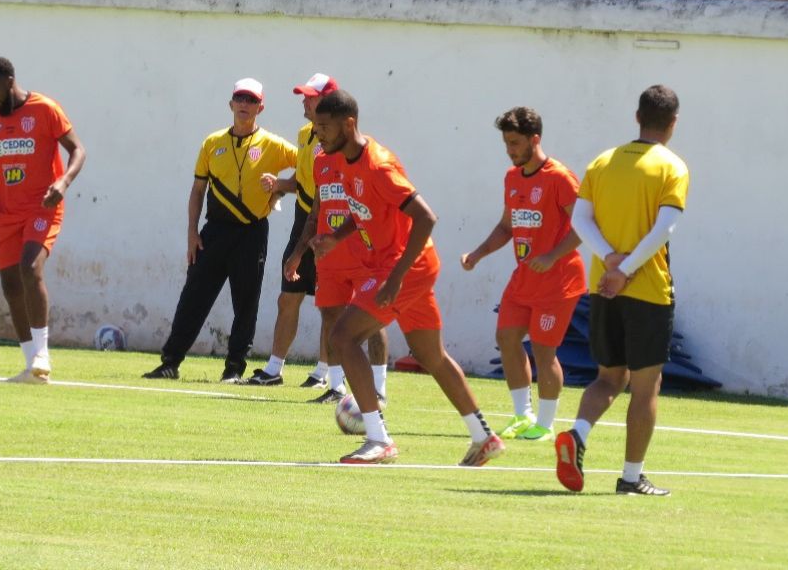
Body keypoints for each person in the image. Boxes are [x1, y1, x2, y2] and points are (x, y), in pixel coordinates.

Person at [286, 90, 503, 465]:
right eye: (315, 126)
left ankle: (378, 439)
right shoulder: (341, 160)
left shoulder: (379, 165)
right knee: (431, 354)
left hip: (406, 265)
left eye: (323, 127)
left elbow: (426, 217)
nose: (317, 133)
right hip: (399, 265)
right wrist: (335, 237)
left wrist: (397, 278)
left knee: (342, 336)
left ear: (348, 124)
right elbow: (365, 209)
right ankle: (483, 436)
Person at [555, 85, 688, 496]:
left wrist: (610, 262)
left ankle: (577, 433)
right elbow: (663, 228)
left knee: (608, 378)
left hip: (604, 290)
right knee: (646, 387)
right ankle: (631, 478)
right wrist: (627, 269)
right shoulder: (672, 166)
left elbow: (580, 221)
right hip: (646, 292)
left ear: (637, 117)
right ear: (673, 123)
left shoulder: (603, 160)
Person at [245, 73, 388, 398]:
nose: (305, 102)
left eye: (311, 96)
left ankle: (376, 387)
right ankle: (330, 383)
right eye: (305, 96)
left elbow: (374, 204)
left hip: (357, 239)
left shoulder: (363, 153)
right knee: (326, 306)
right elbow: (314, 195)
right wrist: (298, 247)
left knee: (372, 314)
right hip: (318, 229)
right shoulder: (314, 147)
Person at [144, 79, 297, 383]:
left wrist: (280, 187)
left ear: (260, 107)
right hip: (213, 231)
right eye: (239, 98)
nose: (244, 104)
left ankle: (234, 369)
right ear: (230, 104)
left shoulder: (274, 145)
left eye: (251, 100)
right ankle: (170, 362)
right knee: (193, 297)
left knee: (246, 301)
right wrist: (192, 232)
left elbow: (307, 169)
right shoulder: (213, 142)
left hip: (251, 232)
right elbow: (198, 189)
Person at [461, 107, 586, 441]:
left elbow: (585, 226)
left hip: (559, 280)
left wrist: (552, 255)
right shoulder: (513, 177)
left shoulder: (559, 177)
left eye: (515, 143)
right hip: (524, 278)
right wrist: (477, 254)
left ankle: (544, 424)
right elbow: (506, 226)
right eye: (506, 144)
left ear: (535, 139)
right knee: (507, 338)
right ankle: (522, 415)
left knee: (545, 351)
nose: (510, 150)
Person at [0, 57, 87, 384]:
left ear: (11, 81)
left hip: (42, 206)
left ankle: (43, 353)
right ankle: (31, 367)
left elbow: (78, 150)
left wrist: (63, 182)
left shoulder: (45, 108)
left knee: (30, 268)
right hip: (7, 212)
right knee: (10, 284)